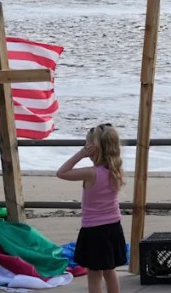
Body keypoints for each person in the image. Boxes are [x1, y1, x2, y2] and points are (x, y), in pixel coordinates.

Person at [57, 123, 127, 293]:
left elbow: (61, 172)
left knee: (94, 276)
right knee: (110, 271)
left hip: (94, 231)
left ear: (94, 148)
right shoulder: (116, 170)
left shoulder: (91, 172)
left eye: (87, 145)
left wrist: (80, 154)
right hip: (113, 227)